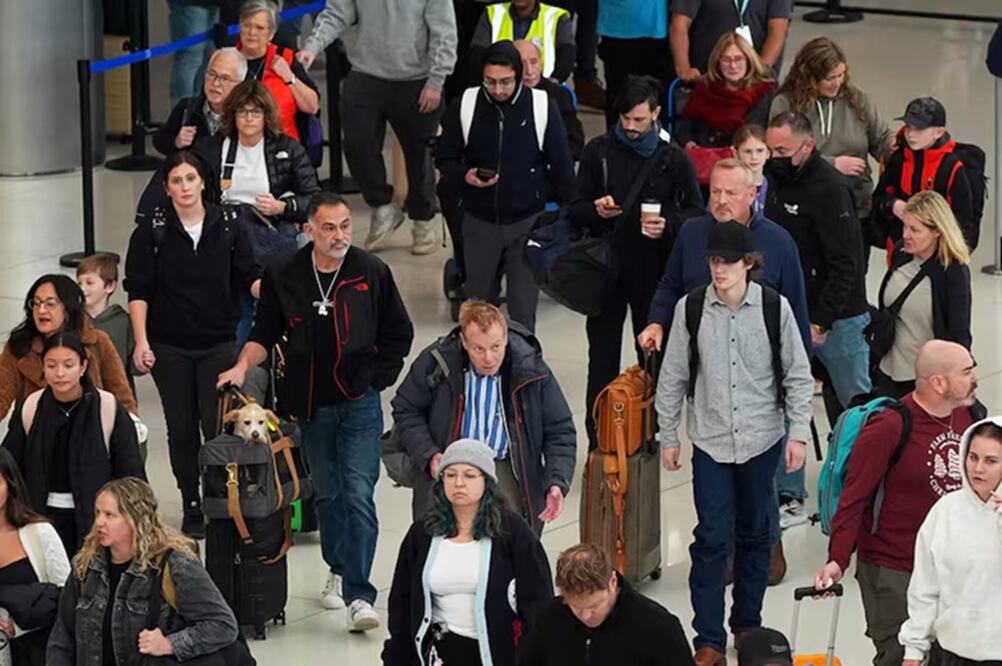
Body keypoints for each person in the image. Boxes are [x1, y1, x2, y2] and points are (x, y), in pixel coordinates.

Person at [217, 192, 414, 631]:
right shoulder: (285, 274)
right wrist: (241, 366)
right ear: (308, 230)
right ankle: (339, 567)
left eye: (345, 226)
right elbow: (263, 331)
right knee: (328, 493)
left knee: (359, 492)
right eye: (329, 227)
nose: (339, 235)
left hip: (359, 403)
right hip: (310, 405)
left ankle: (360, 596)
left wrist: (378, 378)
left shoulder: (371, 272)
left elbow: (399, 332)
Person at [656, 222, 813, 666]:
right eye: (712, 261)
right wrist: (669, 435)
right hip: (710, 440)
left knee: (756, 535)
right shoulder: (691, 309)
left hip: (762, 439)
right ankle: (707, 638)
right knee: (709, 539)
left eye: (727, 261)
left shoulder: (772, 307)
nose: (718, 269)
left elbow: (798, 374)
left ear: (749, 262)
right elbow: (673, 378)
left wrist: (797, 433)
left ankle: (747, 625)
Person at [814, 340, 980, 666]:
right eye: (967, 372)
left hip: (950, 569)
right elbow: (853, 498)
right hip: (893, 572)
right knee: (900, 656)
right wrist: (837, 560)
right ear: (938, 382)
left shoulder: (969, 417)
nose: (976, 378)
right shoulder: (889, 427)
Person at [124, 150, 261, 539]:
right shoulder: (152, 231)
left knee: (216, 425)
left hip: (219, 342)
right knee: (181, 430)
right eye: (176, 181)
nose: (184, 187)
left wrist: (272, 292)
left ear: (204, 182)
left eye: (191, 178)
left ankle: (220, 493)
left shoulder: (230, 224)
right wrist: (141, 342)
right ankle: (192, 501)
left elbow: (248, 275)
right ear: (166, 189)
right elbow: (139, 290)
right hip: (170, 347)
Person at [571, 75, 702, 447]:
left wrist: (669, 224)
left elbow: (695, 210)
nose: (630, 128)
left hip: (653, 271)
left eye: (639, 120)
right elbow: (575, 209)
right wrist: (596, 211)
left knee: (651, 357)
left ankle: (647, 433)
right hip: (606, 270)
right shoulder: (599, 152)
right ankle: (600, 439)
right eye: (625, 119)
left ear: (657, 113)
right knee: (602, 359)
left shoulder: (673, 158)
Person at [392, 300, 577, 529]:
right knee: (443, 541)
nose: (488, 358)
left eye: (496, 347)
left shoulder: (532, 370)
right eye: (479, 349)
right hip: (450, 465)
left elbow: (559, 429)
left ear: (506, 338)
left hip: (506, 465)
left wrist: (557, 481)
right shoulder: (436, 362)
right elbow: (406, 408)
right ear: (464, 342)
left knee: (510, 545)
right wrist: (428, 453)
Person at [296, 0, 457, 254]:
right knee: (357, 144)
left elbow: (444, 31)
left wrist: (436, 81)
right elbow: (337, 13)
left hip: (417, 79)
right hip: (365, 73)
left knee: (420, 156)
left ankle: (423, 219)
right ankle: (382, 206)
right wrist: (312, 47)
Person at [435, 41, 575, 333]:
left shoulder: (540, 106)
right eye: (490, 82)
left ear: (519, 75)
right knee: (479, 315)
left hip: (527, 222)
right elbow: (444, 157)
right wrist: (465, 176)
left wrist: (563, 218)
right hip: (478, 222)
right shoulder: (467, 104)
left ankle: (522, 374)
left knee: (523, 315)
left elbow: (562, 167)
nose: (498, 89)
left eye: (505, 82)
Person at [382, 439, 553, 666]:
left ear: (487, 481)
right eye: (450, 475)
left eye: (469, 475)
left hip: (496, 653)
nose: (459, 483)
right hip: (439, 651)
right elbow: (402, 603)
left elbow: (538, 602)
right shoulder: (422, 533)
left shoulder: (513, 532)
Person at [46, 478, 240, 665]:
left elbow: (223, 625)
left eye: (110, 515)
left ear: (135, 519)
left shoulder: (175, 565)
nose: (99, 522)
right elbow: (63, 636)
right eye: (97, 513)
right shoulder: (85, 567)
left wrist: (170, 644)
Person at [765, 112, 871, 422]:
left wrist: (821, 321)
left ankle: (863, 467)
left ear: (808, 146)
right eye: (771, 150)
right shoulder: (776, 180)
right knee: (783, 404)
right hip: (791, 309)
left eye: (782, 152)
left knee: (856, 406)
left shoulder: (832, 191)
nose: (774, 158)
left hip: (839, 321)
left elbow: (846, 262)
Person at [642, 159, 809, 356]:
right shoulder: (690, 232)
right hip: (698, 357)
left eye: (731, 193)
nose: (721, 200)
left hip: (757, 361)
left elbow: (795, 307)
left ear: (751, 195)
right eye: (715, 192)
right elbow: (671, 285)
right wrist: (656, 322)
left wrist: (800, 369)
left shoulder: (779, 241)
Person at [2, 332, 145, 556]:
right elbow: (9, 466)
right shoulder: (31, 407)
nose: (60, 373)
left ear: (83, 366)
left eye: (68, 365)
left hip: (96, 522)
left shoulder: (107, 408)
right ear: (43, 367)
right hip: (40, 519)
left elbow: (131, 473)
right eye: (51, 365)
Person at [196, 78, 320, 284]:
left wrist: (282, 207)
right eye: (242, 112)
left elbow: (316, 199)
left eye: (256, 112)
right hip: (224, 231)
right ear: (232, 115)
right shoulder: (211, 149)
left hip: (269, 229)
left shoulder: (288, 149)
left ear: (266, 116)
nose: (248, 118)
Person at [899, 419, 1002, 666]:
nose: (978, 468)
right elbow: (925, 586)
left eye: (991, 461)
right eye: (973, 457)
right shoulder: (945, 510)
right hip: (951, 653)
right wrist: (913, 650)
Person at [770, 37, 893, 224]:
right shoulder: (785, 104)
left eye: (841, 75)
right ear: (809, 77)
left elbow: (881, 138)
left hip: (855, 206)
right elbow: (779, 157)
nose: (837, 83)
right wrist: (832, 164)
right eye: (829, 78)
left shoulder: (858, 100)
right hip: (804, 206)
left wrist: (896, 145)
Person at [518, 543, 695, 665]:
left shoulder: (658, 628)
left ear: (612, 581)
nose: (585, 616)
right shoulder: (548, 619)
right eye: (576, 607)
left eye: (594, 606)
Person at [874, 192, 972, 398]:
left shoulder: (952, 272)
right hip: (886, 372)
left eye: (915, 229)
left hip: (921, 382)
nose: (906, 235)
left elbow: (958, 334)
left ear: (937, 231)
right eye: (905, 226)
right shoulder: (902, 253)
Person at [0, 275, 137, 422]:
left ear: (68, 308)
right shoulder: (19, 346)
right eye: (36, 303)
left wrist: (132, 430)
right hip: (34, 436)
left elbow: (122, 397)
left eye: (50, 304)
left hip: (90, 435)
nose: (41, 310)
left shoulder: (97, 342)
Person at [872, 97, 977, 250]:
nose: (911, 134)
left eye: (919, 129)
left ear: (939, 132)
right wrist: (893, 204)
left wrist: (952, 254)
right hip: (900, 248)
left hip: (940, 254)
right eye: (908, 127)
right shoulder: (898, 159)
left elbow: (964, 220)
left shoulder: (951, 168)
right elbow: (878, 198)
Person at [0, 448, 70, 666]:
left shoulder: (39, 533)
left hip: (36, 655)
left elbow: (68, 596)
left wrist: (17, 627)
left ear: (10, 485)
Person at [235, 0, 320, 144]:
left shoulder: (286, 58)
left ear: (271, 34)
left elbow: (312, 107)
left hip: (283, 151)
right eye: (246, 25)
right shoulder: (226, 60)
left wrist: (289, 77)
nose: (251, 33)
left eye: (259, 28)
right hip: (238, 146)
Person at [677, 32, 776, 148]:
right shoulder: (705, 88)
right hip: (702, 152)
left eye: (738, 59)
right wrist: (689, 143)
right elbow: (684, 125)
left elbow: (754, 132)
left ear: (748, 60)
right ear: (717, 62)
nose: (733, 66)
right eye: (726, 59)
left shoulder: (763, 90)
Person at [154, 47, 247, 157]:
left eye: (225, 78)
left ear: (240, 85)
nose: (216, 83)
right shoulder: (188, 108)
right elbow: (159, 140)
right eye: (212, 74)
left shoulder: (247, 115)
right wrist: (177, 141)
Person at [670, 0, 792, 82]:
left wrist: (761, 71)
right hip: (708, 77)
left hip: (755, 79)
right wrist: (683, 68)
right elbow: (679, 25)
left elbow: (778, 31)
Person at [596, 0, 673, 128]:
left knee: (656, 100)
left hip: (653, 30)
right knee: (620, 100)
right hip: (618, 29)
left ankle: (657, 143)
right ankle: (615, 144)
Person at [76, 253, 137, 406]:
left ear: (110, 286)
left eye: (89, 283)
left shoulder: (123, 322)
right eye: (79, 283)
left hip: (117, 401)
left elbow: (133, 366)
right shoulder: (72, 321)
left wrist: (143, 362)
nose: (82, 288)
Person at [467, 0, 575, 83]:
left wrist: (554, 82)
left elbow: (567, 55)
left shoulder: (556, 16)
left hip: (543, 90)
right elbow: (477, 54)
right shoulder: (492, 13)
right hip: (499, 91)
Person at [514, 39, 585, 160]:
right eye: (521, 64)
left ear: (541, 63)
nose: (529, 71)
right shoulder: (499, 95)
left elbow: (575, 146)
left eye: (534, 62)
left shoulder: (559, 95)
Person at [167, 0, 221, 108]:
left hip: (215, 4)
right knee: (190, 59)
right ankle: (180, 116)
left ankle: (196, 113)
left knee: (208, 61)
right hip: (189, 3)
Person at [732, 124, 771, 214]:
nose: (754, 157)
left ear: (768, 153)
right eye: (747, 151)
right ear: (736, 153)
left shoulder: (775, 188)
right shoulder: (726, 187)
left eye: (760, 150)